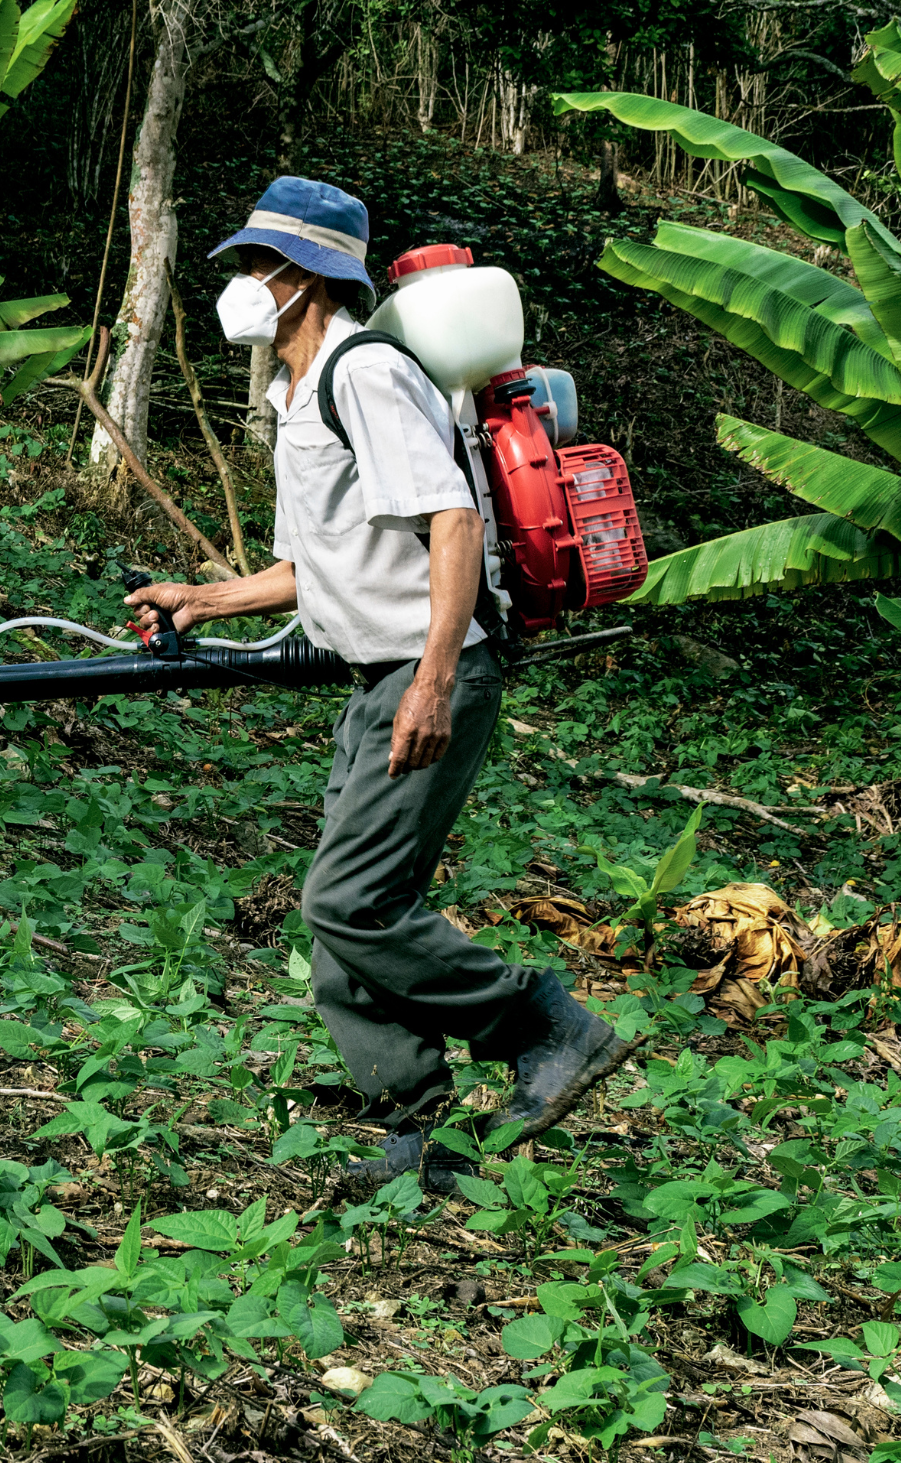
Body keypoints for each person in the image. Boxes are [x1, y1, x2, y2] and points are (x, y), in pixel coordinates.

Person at [123, 176, 637, 1194]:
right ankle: (415, 1143)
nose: (238, 283)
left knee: (348, 898)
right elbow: (314, 562)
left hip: (428, 670)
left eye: (255, 266)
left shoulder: (364, 375)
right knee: (344, 925)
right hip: (375, 677)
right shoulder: (294, 391)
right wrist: (205, 599)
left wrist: (433, 682)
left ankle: (544, 1021)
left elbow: (451, 521)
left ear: (307, 278)